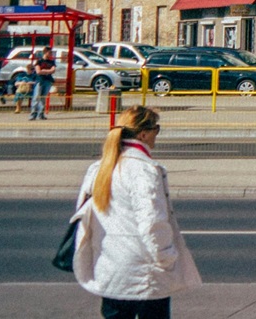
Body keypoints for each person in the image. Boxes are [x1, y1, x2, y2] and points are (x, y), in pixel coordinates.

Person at [73, 106, 201, 317]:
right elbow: (152, 221)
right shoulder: (144, 170)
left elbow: (85, 218)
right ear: (144, 133)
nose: (156, 136)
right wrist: (166, 257)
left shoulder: (99, 168)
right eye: (156, 129)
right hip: (144, 274)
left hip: (111, 268)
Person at [31, 47, 57, 120]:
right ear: (45, 52)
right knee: (36, 96)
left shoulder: (52, 62)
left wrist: (44, 70)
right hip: (39, 80)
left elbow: (53, 70)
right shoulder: (39, 61)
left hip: (47, 80)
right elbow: (38, 71)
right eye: (50, 53)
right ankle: (33, 114)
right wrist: (48, 71)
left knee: (43, 97)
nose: (51, 54)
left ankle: (41, 114)